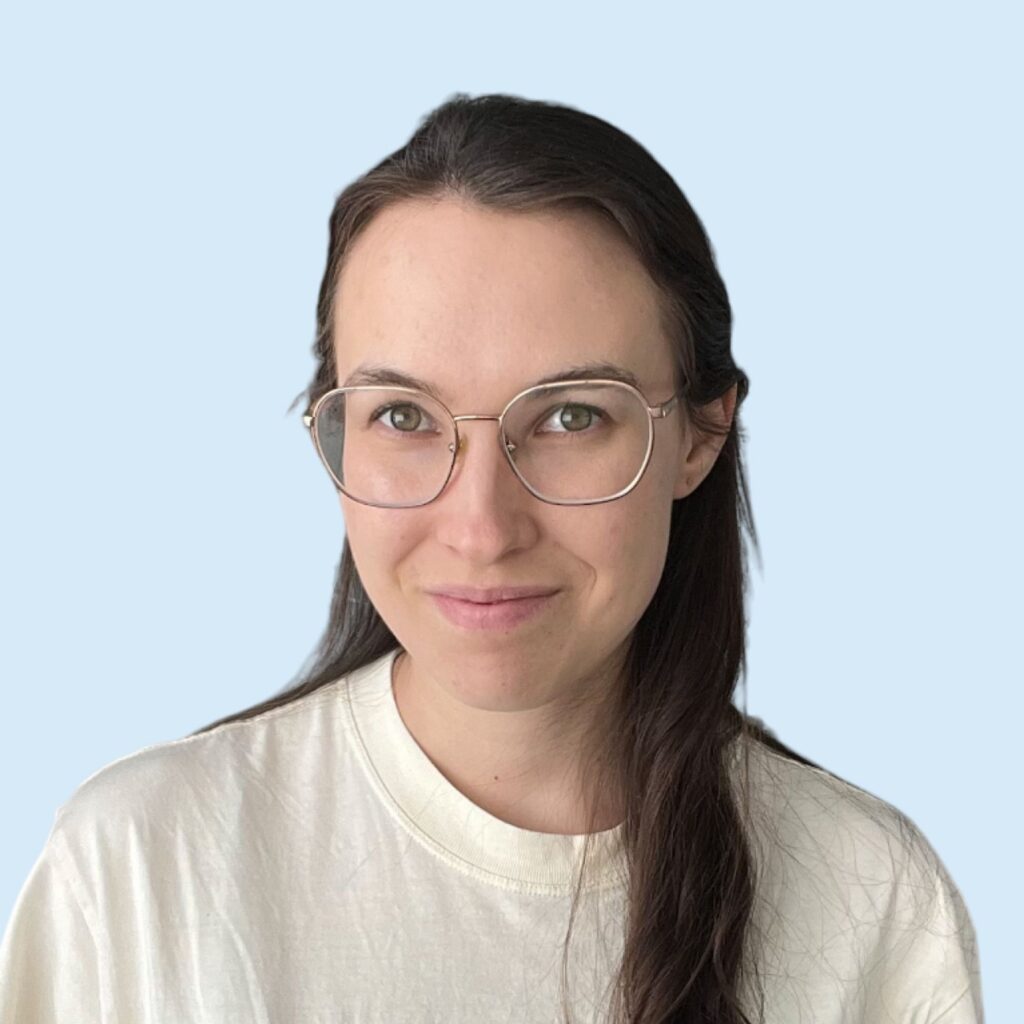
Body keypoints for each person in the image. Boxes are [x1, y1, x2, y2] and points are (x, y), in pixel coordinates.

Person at [0, 92, 983, 1024]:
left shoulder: (873, 897)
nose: (481, 527)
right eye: (402, 416)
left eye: (570, 417)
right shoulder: (136, 869)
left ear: (700, 434)